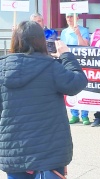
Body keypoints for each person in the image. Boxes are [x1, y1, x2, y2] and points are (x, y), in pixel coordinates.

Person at [0, 21, 87, 179]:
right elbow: (77, 82)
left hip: (14, 150)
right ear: (41, 41)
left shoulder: (2, 68)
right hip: (49, 151)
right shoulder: (50, 67)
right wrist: (66, 55)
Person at [60, 13, 90, 125]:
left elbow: (85, 46)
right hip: (69, 64)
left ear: (77, 18)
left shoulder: (84, 30)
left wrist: (78, 35)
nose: (69, 18)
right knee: (71, 87)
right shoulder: (64, 32)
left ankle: (85, 115)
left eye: (71, 16)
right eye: (67, 16)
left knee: (84, 88)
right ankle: (74, 114)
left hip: (82, 63)